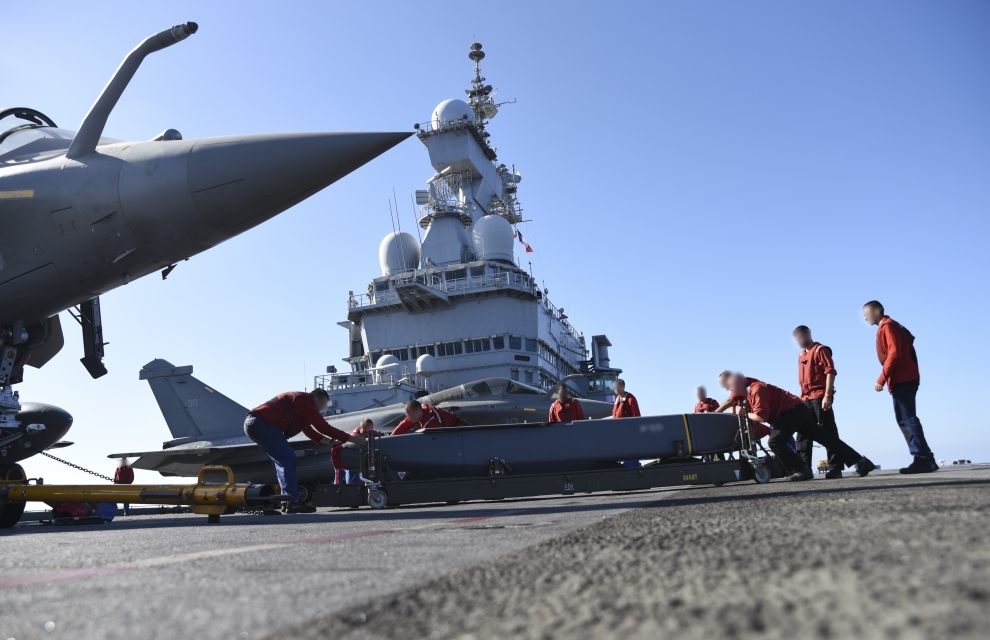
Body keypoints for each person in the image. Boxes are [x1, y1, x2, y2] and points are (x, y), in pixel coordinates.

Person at [728, 374, 875, 481]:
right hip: (798, 409)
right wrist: (735, 408)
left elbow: (762, 417)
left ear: (740, 385)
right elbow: (736, 401)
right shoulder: (749, 388)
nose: (731, 392)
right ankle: (862, 463)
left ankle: (801, 470)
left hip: (792, 412)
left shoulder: (756, 390)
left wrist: (745, 413)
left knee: (775, 441)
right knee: (826, 438)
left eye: (732, 388)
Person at [245, 388, 364, 513]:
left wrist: (331, 442)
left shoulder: (300, 405)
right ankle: (292, 501)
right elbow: (323, 427)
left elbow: (309, 431)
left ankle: (287, 501)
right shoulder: (304, 401)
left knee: (281, 462)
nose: (321, 409)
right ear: (316, 398)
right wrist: (351, 438)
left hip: (254, 424)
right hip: (262, 424)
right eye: (322, 404)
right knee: (287, 458)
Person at [863, 301, 937, 474]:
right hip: (906, 376)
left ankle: (922, 459)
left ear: (878, 311)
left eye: (867, 313)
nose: (865, 317)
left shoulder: (888, 326)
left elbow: (894, 353)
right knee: (907, 418)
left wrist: (882, 378)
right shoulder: (892, 325)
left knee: (907, 419)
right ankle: (928, 459)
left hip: (902, 377)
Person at [793, 325, 843, 478]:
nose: (799, 341)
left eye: (801, 337)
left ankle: (835, 467)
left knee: (827, 431)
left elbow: (830, 372)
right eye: (797, 339)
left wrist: (827, 395)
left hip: (820, 396)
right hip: (805, 398)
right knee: (803, 432)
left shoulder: (820, 350)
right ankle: (804, 469)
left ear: (808, 334)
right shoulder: (801, 354)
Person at [332, 418, 382, 484]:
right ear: (360, 428)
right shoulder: (354, 435)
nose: (366, 435)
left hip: (361, 461)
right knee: (345, 481)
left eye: (368, 432)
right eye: (364, 432)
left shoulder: (374, 433)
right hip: (348, 459)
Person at [392, 400, 468, 435]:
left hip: (463, 431)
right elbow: (404, 425)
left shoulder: (432, 421)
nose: (410, 418)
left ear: (418, 411)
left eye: (411, 415)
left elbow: (435, 441)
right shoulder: (416, 413)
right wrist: (391, 438)